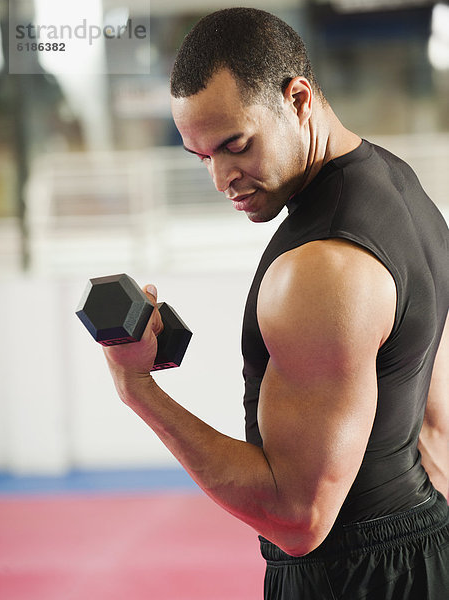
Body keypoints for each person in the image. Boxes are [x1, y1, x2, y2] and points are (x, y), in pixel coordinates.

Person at [103, 8, 449, 599]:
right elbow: (434, 425)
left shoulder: (319, 270)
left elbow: (298, 520)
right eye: (203, 156)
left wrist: (138, 389)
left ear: (298, 97)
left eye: (235, 145)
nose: (221, 178)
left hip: (352, 579)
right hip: (425, 552)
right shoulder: (401, 189)